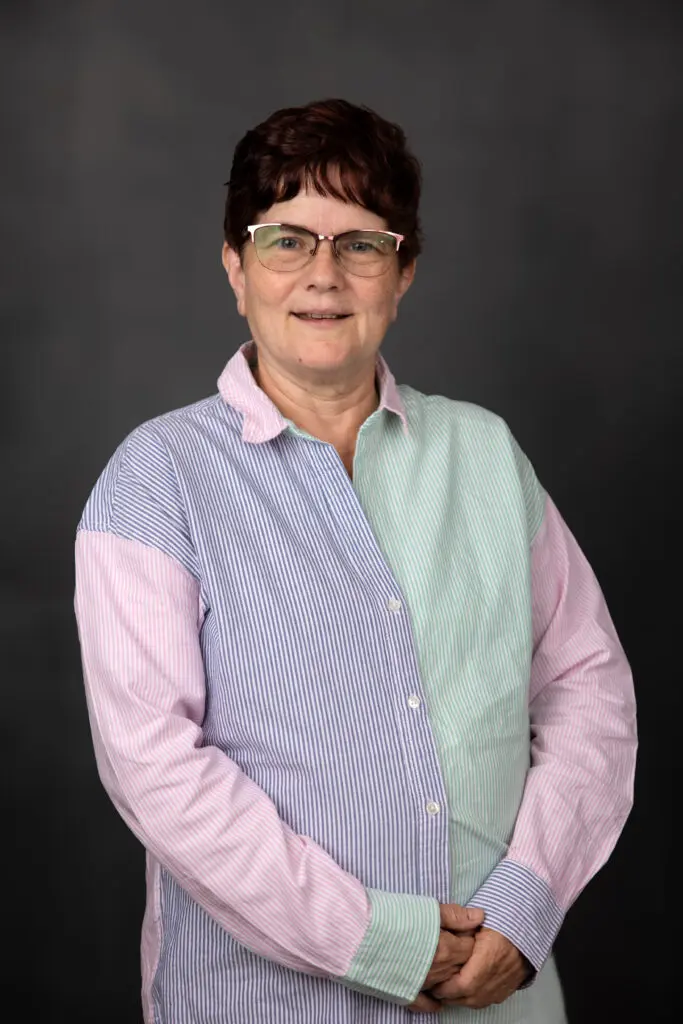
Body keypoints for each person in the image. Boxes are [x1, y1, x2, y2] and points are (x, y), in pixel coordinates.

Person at [74, 98, 637, 1024]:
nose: (322, 276)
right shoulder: (156, 480)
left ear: (403, 270)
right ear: (235, 266)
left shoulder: (484, 455)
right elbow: (154, 767)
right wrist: (377, 939)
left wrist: (527, 902)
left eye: (361, 244)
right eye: (285, 240)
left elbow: (590, 688)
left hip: (494, 1001)